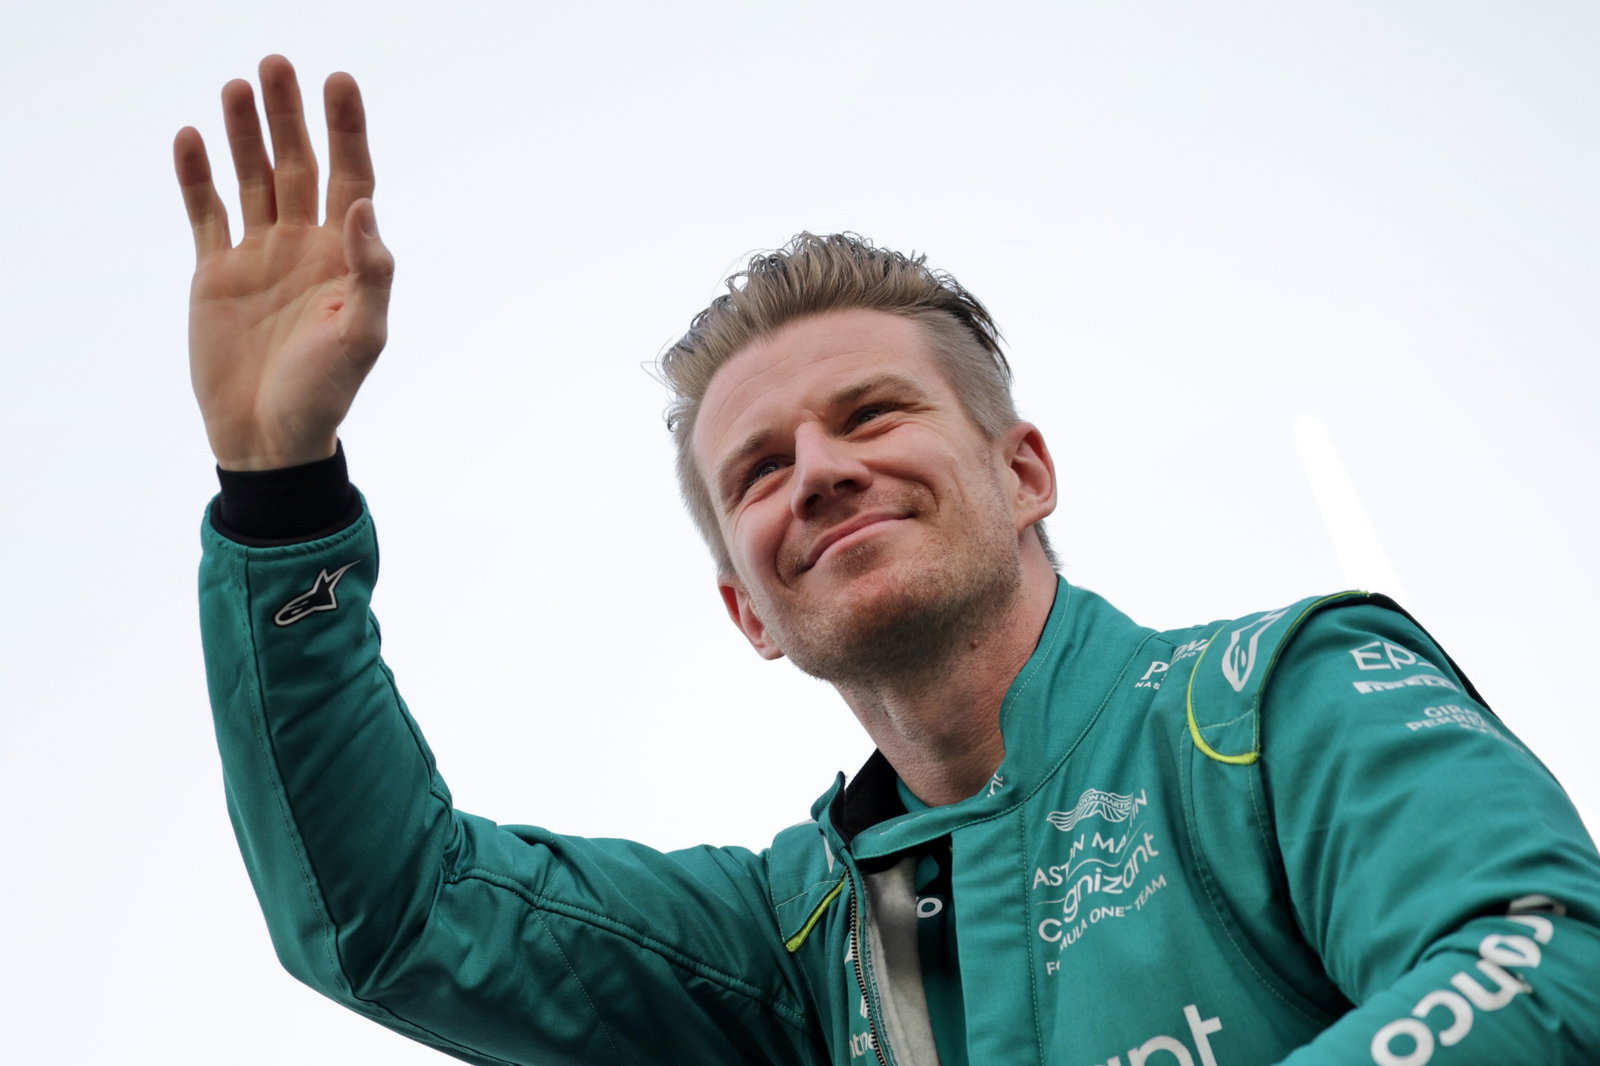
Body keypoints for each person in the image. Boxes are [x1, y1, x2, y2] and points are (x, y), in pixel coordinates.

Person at [177, 57, 1600, 1066]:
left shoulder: (1272, 703)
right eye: (759, 469)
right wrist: (277, 490)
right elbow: (399, 912)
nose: (821, 470)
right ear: (748, 609)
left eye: (872, 412)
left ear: (1024, 469)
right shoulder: (798, 947)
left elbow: (1549, 965)